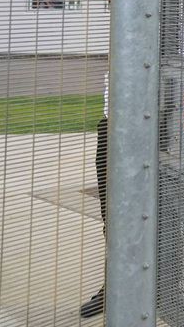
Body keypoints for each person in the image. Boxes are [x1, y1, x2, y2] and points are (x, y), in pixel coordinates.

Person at [80, 74, 108, 319]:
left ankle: (168, 289)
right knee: (112, 221)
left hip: (162, 126)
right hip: (113, 126)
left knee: (169, 219)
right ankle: (115, 286)